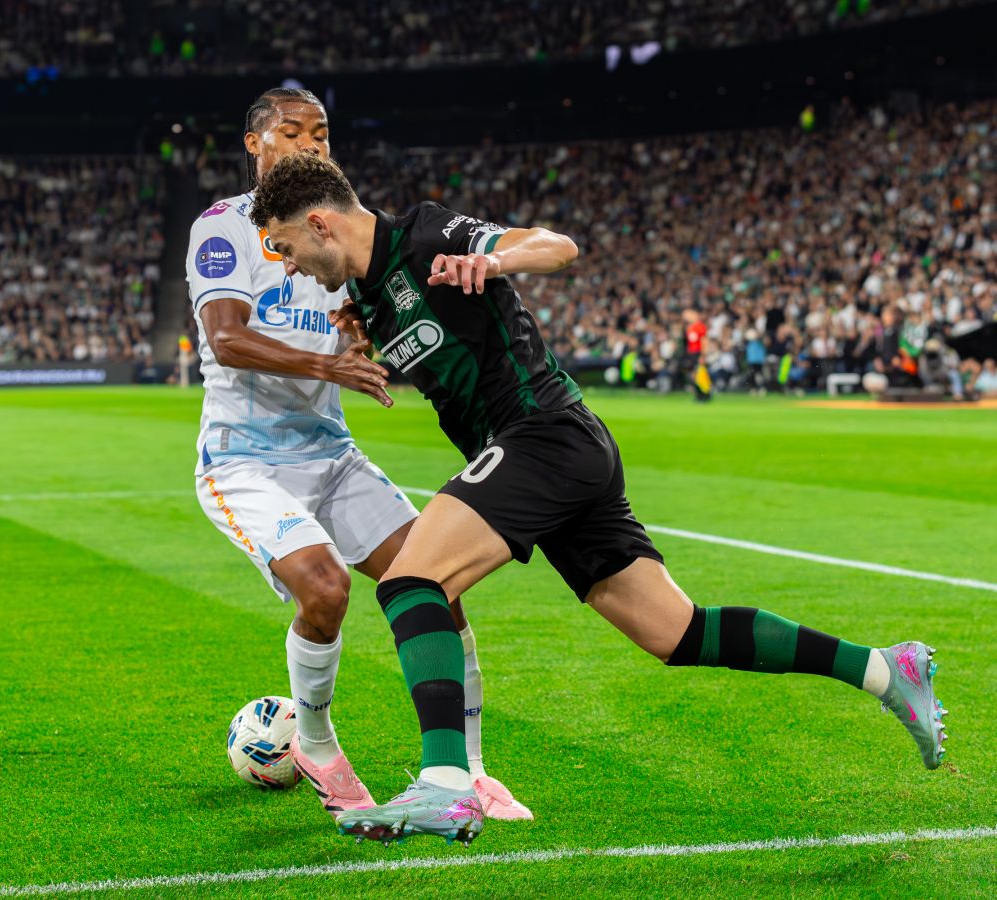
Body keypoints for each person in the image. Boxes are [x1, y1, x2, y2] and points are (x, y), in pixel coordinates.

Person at [251, 153, 947, 846]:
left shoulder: (426, 236)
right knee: (677, 633)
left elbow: (555, 246)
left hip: (542, 435)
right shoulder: (369, 294)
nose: (289, 265)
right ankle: (886, 669)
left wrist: (494, 260)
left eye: (285, 246)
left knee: (412, 580)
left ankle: (448, 783)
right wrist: (369, 335)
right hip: (558, 453)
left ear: (320, 223)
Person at [189, 88, 530, 824]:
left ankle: (470, 772)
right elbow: (225, 338)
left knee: (435, 580)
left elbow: (364, 310)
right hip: (245, 460)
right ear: (254, 143)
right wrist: (329, 366)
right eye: (291, 132)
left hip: (331, 451)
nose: (310, 144)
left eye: (320, 132)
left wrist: (358, 335)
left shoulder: (333, 226)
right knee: (325, 588)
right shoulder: (222, 226)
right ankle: (315, 743)